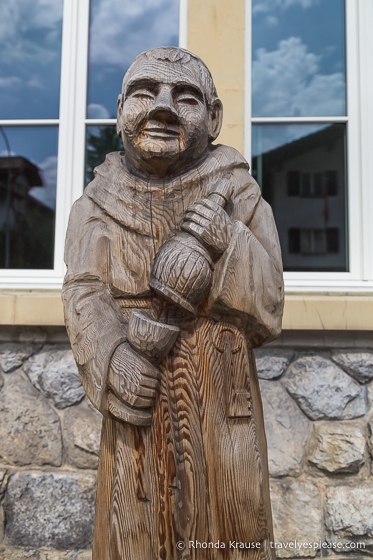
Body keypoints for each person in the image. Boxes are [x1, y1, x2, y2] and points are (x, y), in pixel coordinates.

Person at [62, 47, 283, 560]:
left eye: (184, 98)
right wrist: (114, 359)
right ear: (120, 111)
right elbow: (84, 289)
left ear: (214, 117)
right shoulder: (94, 204)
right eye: (145, 93)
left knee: (230, 522)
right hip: (137, 390)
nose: (162, 108)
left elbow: (271, 302)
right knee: (133, 526)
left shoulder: (239, 196)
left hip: (220, 395)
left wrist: (227, 239)